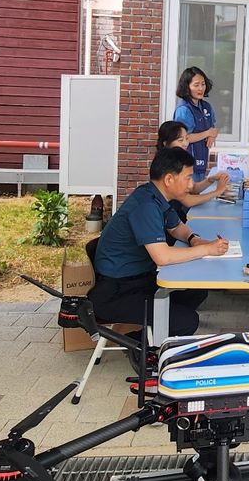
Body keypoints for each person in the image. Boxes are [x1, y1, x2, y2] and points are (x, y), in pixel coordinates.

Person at [89, 147, 228, 336]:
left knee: (198, 290)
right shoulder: (146, 205)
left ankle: (158, 328)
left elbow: (177, 227)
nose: (191, 185)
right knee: (187, 321)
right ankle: (135, 344)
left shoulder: (156, 196)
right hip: (117, 291)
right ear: (169, 179)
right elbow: (162, 257)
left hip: (138, 278)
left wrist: (194, 239)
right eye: (187, 178)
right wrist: (207, 250)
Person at [155, 122, 230, 227]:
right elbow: (188, 200)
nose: (185, 143)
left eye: (186, 139)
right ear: (165, 143)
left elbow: (192, 188)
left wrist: (211, 179)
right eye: (180, 140)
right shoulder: (167, 165)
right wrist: (217, 192)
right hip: (167, 222)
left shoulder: (177, 160)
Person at [174, 67, 218, 182]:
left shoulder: (206, 107)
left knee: (198, 195)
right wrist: (208, 133)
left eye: (203, 84)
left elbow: (212, 127)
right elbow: (184, 138)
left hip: (201, 162)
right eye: (196, 85)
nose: (201, 88)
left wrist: (212, 134)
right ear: (186, 87)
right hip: (186, 166)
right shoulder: (184, 109)